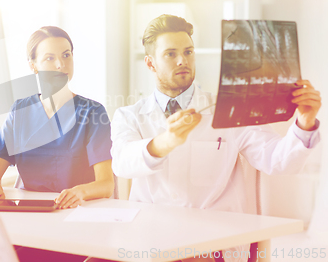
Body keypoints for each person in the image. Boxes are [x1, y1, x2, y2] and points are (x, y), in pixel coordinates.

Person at [110, 15, 321, 262]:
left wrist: (304, 124)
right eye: (170, 54)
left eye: (188, 52)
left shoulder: (230, 108)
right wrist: (166, 141)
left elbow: (277, 160)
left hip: (213, 248)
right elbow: (122, 163)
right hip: (151, 242)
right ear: (150, 63)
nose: (182, 60)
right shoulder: (129, 115)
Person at [0, 26, 114, 210]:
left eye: (66, 55)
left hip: (76, 211)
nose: (60, 64)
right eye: (50, 58)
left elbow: (106, 184)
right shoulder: (20, 112)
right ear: (33, 66)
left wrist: (79, 192)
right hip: (30, 211)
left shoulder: (93, 112)